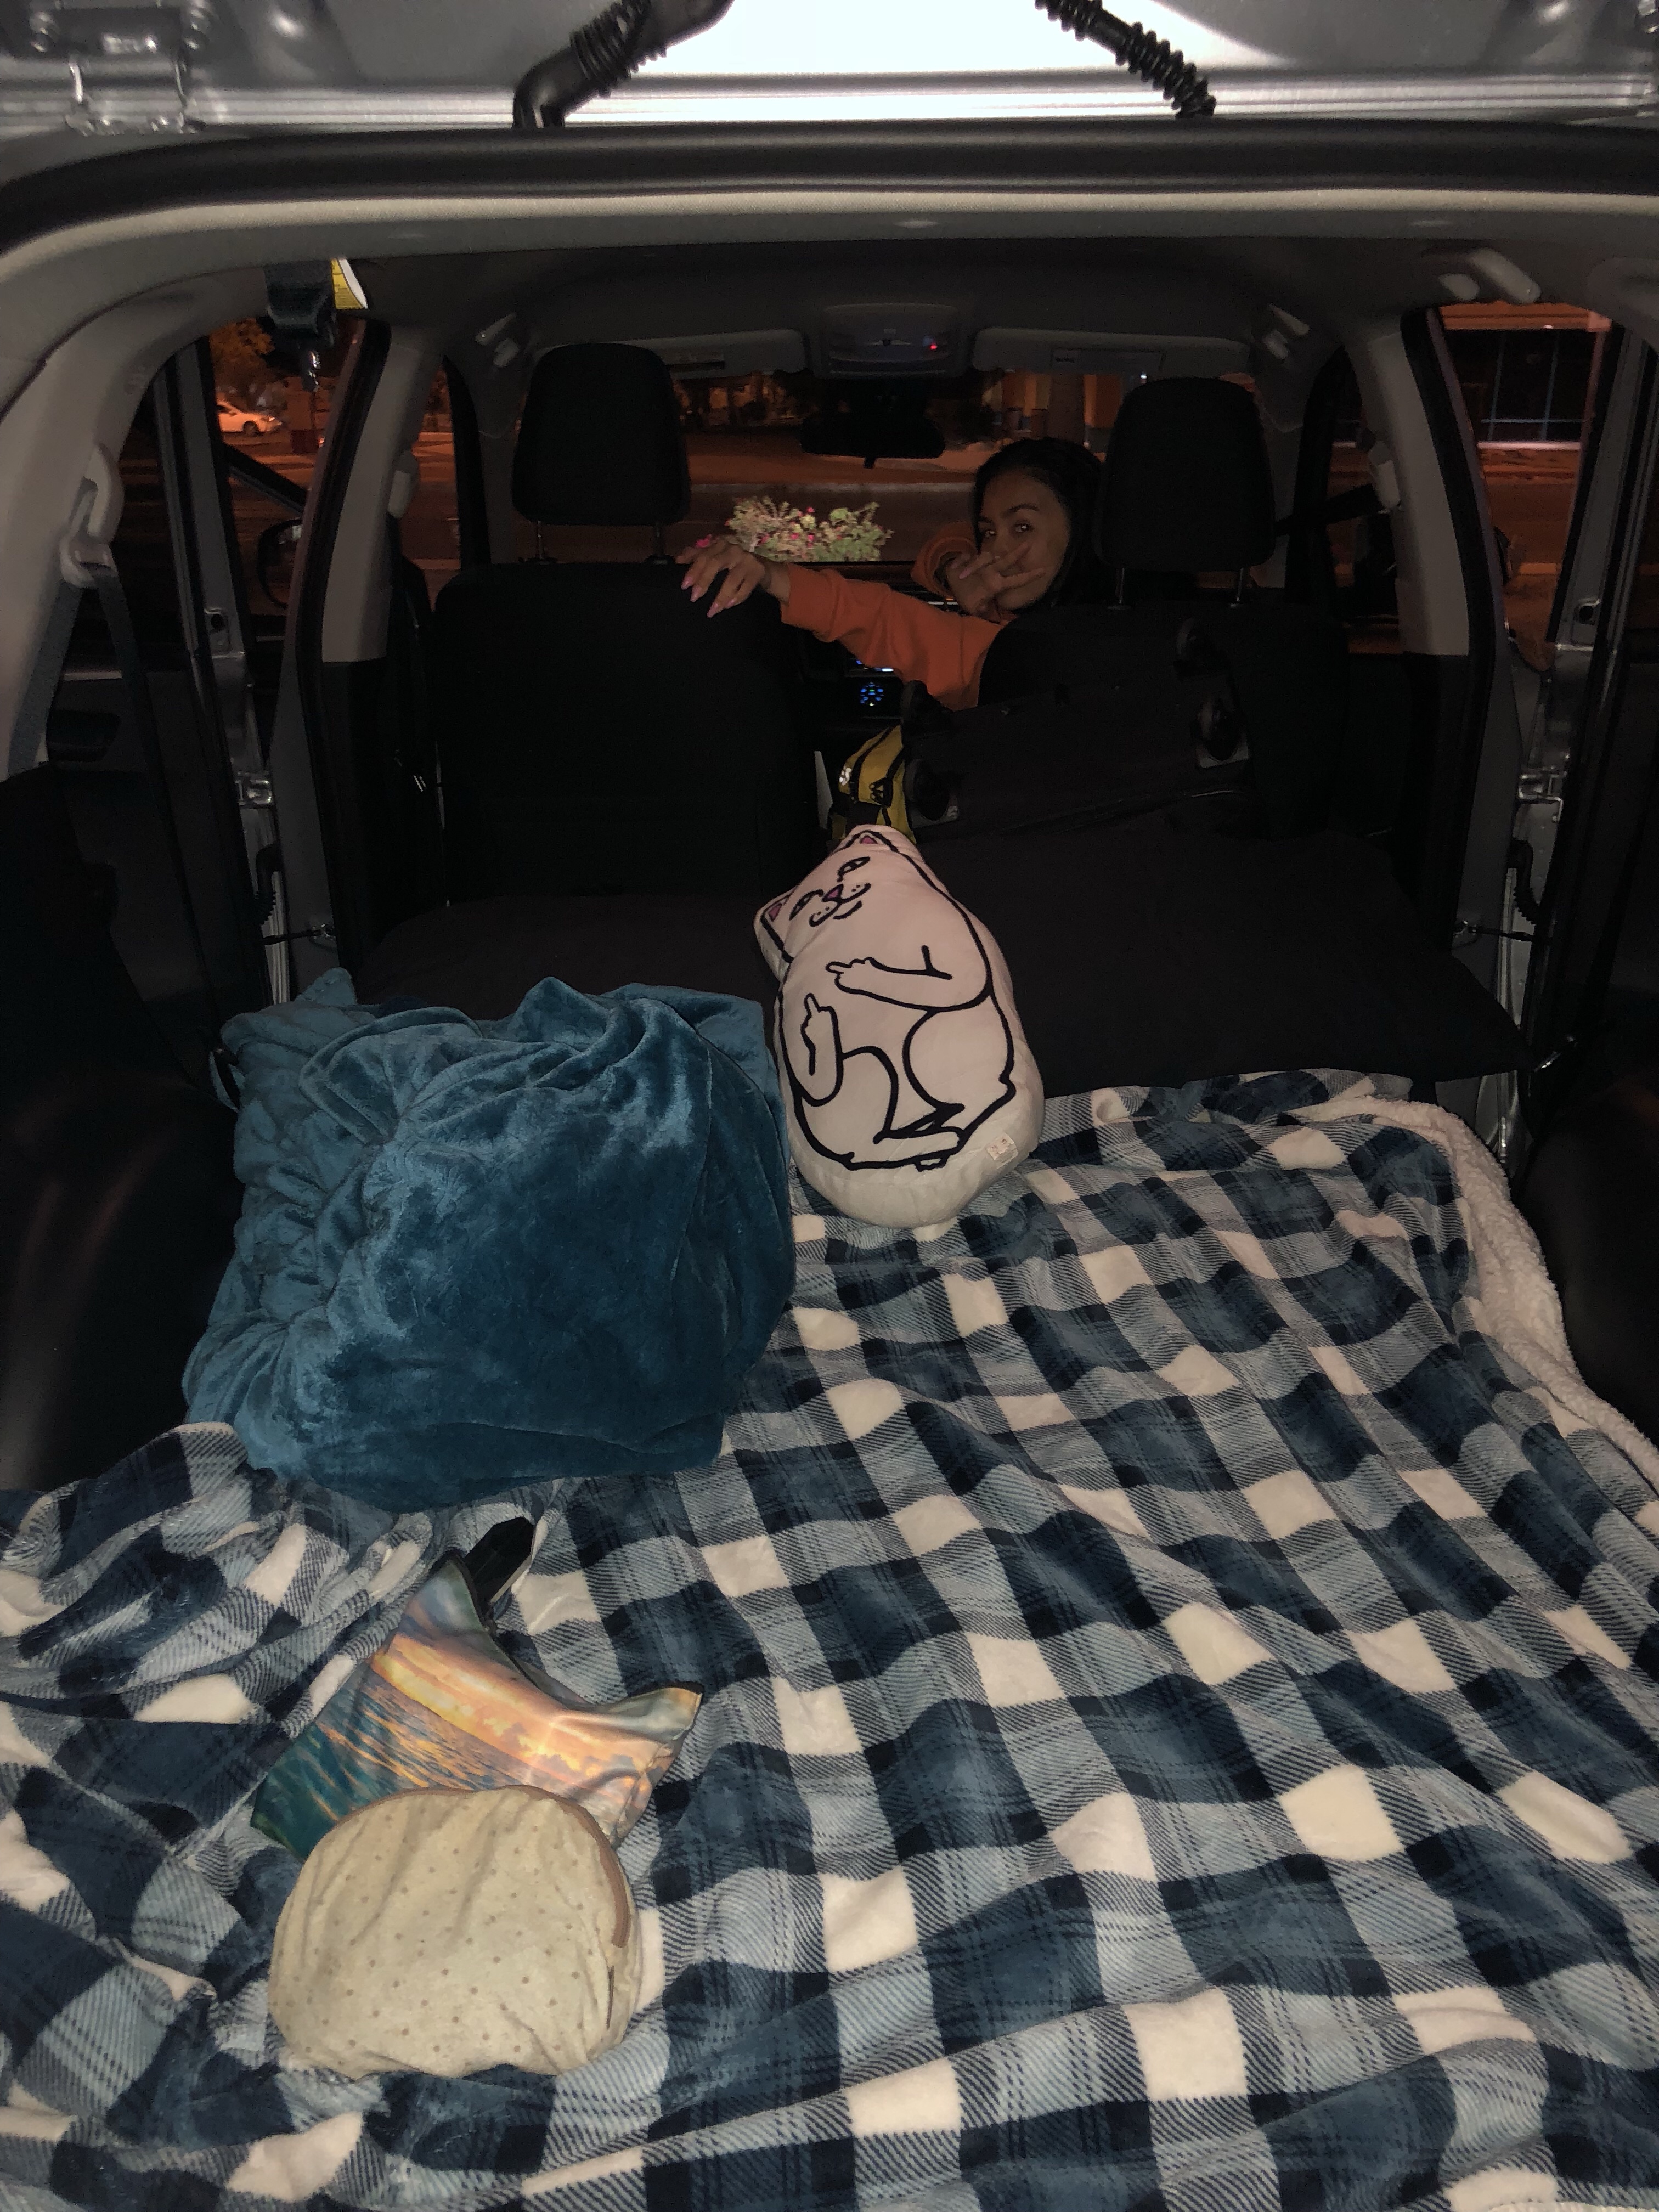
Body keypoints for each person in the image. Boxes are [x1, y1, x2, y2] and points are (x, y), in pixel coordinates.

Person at [676, 438, 1107, 710]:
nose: (995, 551)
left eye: (1023, 528)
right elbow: (948, 540)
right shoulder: (1127, 624)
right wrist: (952, 566)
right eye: (989, 531)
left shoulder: (1019, 656)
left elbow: (883, 617)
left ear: (1087, 527)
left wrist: (771, 576)